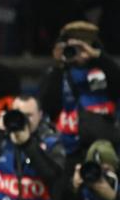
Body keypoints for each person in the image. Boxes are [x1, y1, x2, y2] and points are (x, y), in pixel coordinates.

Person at [39, 21, 120, 163]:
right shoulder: (58, 72)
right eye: (73, 47)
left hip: (101, 143)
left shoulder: (105, 69)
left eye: (83, 46)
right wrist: (58, 66)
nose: (79, 52)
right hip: (68, 146)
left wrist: (99, 56)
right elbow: (48, 106)